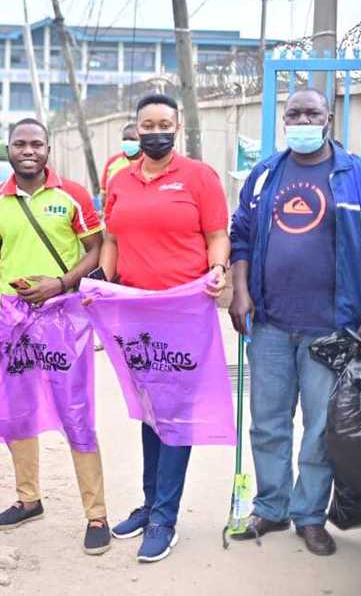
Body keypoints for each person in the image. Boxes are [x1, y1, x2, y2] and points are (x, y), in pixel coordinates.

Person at [228, 88, 361, 557]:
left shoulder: (356, 176)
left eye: (311, 113)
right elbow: (240, 235)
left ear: (328, 119)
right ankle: (271, 506)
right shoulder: (265, 175)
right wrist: (240, 292)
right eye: (294, 113)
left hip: (332, 326)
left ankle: (309, 515)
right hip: (269, 325)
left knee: (322, 427)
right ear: (285, 121)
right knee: (267, 422)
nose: (302, 120)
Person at [100, 93, 229, 563]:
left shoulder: (199, 177)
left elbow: (217, 235)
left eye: (164, 124)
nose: (155, 131)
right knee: (150, 408)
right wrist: (104, 285)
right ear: (136, 129)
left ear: (176, 127)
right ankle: (150, 501)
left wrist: (217, 271)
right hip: (134, 313)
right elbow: (111, 239)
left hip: (184, 311)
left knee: (176, 413)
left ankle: (164, 519)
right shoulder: (120, 179)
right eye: (147, 124)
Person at [0, 118, 111, 555]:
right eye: (19, 143)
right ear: (8, 148)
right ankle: (28, 498)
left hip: (63, 321)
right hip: (12, 323)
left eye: (36, 143)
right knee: (18, 413)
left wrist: (62, 282)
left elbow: (97, 249)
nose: (27, 150)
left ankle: (97, 514)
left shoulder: (73, 195)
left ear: (48, 149)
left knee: (76, 414)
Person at [100, 122, 141, 191]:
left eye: (132, 139)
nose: (128, 142)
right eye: (124, 139)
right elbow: (103, 189)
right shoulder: (112, 161)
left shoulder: (148, 163)